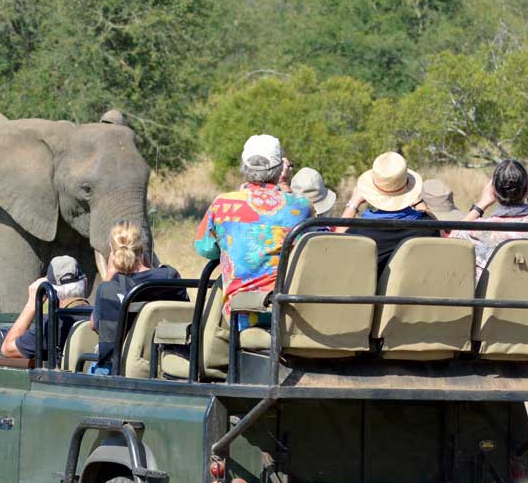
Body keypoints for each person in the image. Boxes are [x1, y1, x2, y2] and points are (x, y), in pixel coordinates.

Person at [193, 134, 313, 328]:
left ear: (244, 168)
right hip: (290, 311)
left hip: (241, 314)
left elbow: (205, 249)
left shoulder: (223, 204)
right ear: (279, 169)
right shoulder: (301, 206)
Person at [90, 221, 181, 373]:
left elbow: (95, 325)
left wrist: (108, 279)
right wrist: (150, 268)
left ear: (113, 253)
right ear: (143, 248)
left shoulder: (110, 288)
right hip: (167, 359)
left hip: (121, 366)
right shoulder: (170, 277)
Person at [337, 151, 439, 272]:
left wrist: (353, 203)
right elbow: (439, 230)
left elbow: (338, 240)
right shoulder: (428, 226)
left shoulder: (361, 230)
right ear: (408, 188)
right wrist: (418, 203)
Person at [1, 256, 91, 360]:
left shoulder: (51, 324)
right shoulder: (101, 316)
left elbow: (7, 349)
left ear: (48, 291)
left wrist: (32, 304)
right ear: (86, 283)